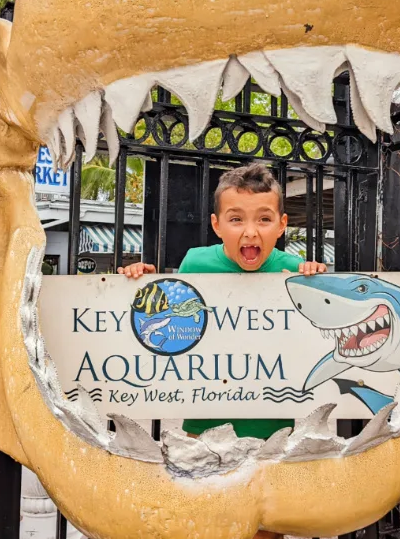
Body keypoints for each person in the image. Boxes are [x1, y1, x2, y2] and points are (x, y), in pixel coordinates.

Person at [121, 162, 327, 539]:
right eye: (236, 220)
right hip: (204, 428)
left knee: (265, 527)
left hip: (271, 432)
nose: (250, 232)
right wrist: (139, 282)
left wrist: (314, 280)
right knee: (203, 523)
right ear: (217, 225)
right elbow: (168, 322)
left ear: (282, 225)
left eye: (264, 220)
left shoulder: (293, 269)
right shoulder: (194, 262)